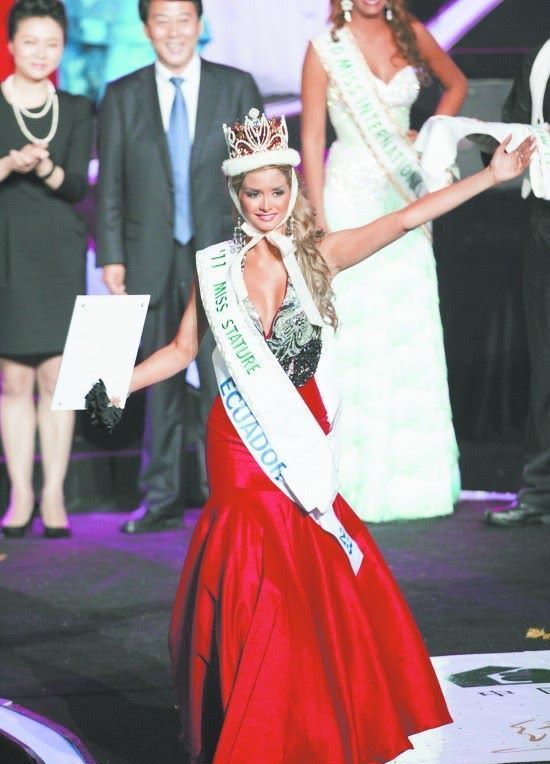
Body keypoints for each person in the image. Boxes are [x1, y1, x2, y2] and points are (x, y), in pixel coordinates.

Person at [94, 109, 532, 764]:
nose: (266, 204)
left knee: (305, 595)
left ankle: (314, 738)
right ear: (236, 196)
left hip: (299, 442)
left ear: (291, 189)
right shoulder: (210, 267)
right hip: (239, 446)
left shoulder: (318, 255)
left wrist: (490, 175)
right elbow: (180, 353)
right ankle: (270, 757)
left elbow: (405, 218)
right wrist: (110, 381)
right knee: (258, 596)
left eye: (276, 191)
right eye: (253, 194)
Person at [96, 0, 261, 535]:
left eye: (183, 19)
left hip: (222, 250)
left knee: (225, 376)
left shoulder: (236, 87)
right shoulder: (122, 95)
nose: (173, 31)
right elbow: (111, 185)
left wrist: (259, 247)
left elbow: (257, 175)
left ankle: (227, 494)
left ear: (200, 25)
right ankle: (162, 497)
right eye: (160, 20)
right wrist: (112, 253)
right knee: (159, 379)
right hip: (150, 252)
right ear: (146, 29)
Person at [300, 0, 468, 522]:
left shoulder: (412, 33)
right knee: (357, 333)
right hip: (348, 196)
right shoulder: (323, 49)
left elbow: (457, 84)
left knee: (408, 327)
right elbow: (310, 137)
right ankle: (353, 481)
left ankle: (415, 482)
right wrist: (320, 222)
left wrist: (433, 132)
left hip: (404, 195)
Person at [0, 0, 93, 539]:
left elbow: (78, 185)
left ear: (62, 48)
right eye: (30, 41)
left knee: (58, 378)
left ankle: (54, 494)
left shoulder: (77, 108)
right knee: (14, 379)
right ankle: (21, 493)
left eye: (51, 43)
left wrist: (47, 167)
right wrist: (10, 164)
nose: (40, 52)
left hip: (57, 250)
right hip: (8, 249)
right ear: (11, 44)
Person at [485, 40, 550, 527]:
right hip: (542, 217)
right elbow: (518, 122)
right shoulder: (538, 53)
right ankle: (542, 491)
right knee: (545, 361)